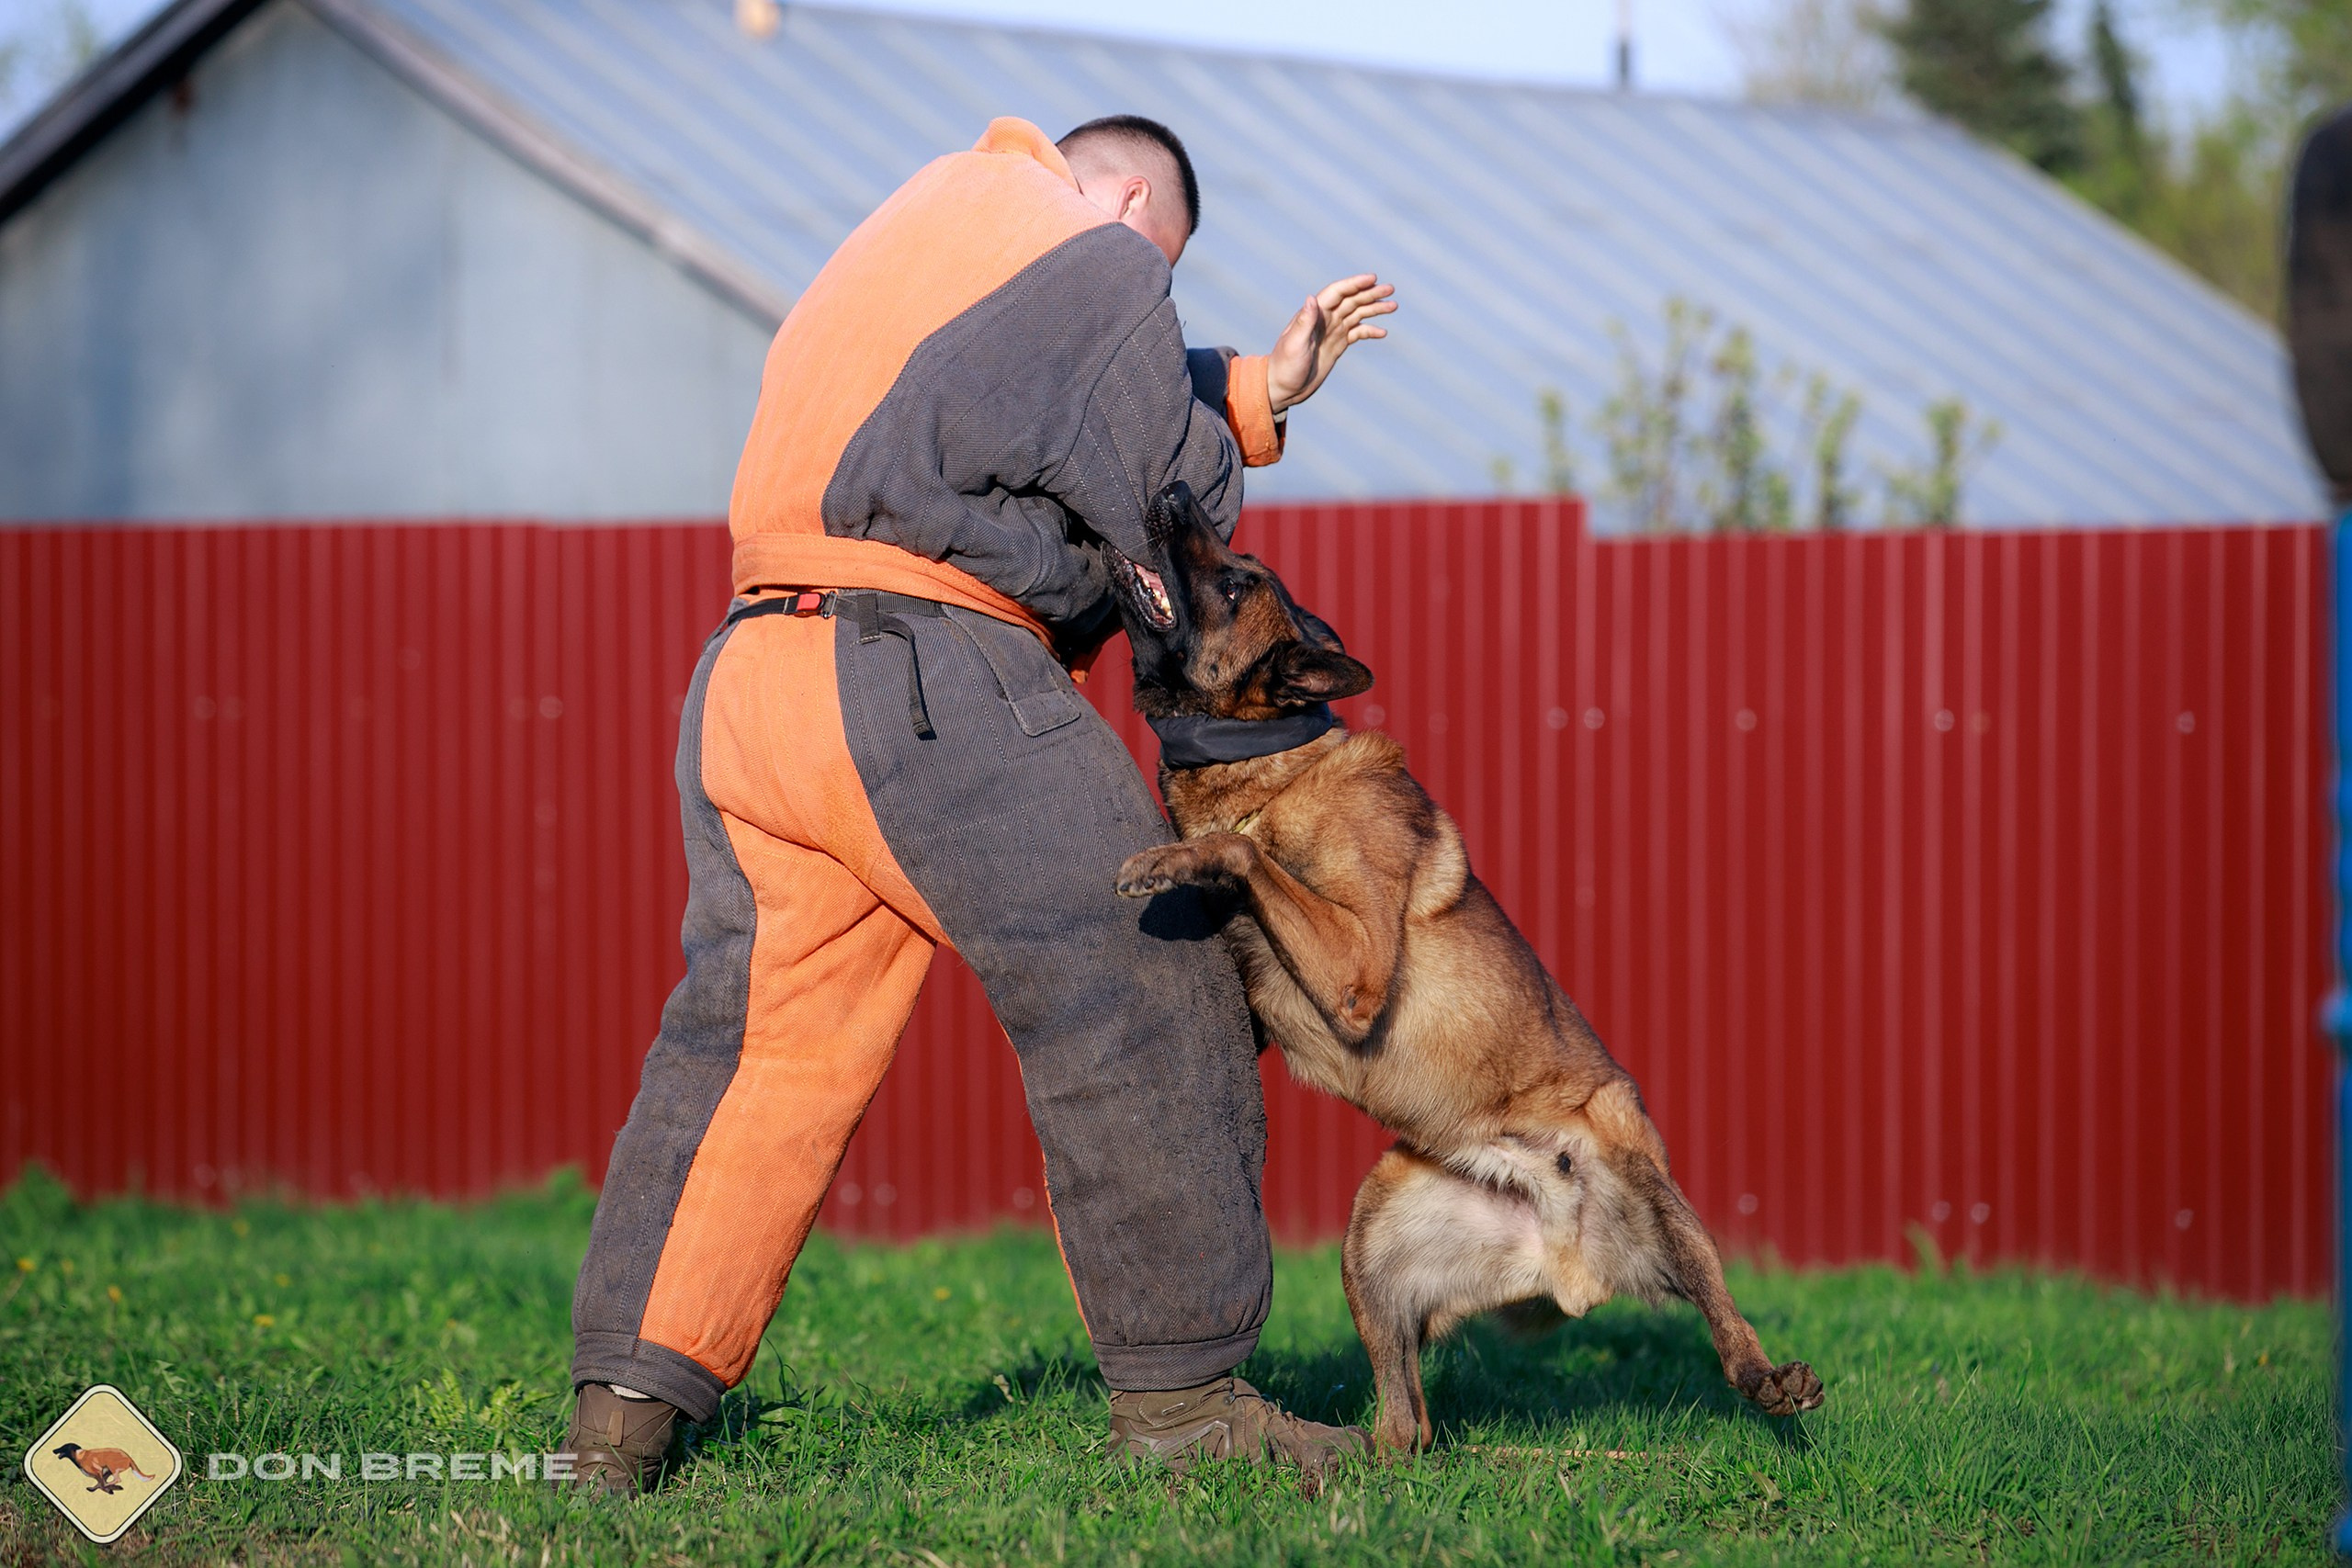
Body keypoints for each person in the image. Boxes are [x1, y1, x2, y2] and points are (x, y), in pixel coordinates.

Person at [556, 113, 1396, 1494]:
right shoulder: (1098, 256)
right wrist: (1229, 433)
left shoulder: (921, 225)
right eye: (1166, 260)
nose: (1155, 289)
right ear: (1130, 201)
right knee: (1149, 967)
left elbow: (1016, 393)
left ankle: (622, 1426)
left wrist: (1257, 385)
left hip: (758, 673)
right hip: (922, 667)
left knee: (752, 1055)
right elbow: (1165, 499)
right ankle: (1188, 1410)